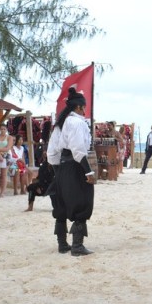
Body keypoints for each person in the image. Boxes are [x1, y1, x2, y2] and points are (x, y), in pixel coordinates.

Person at [47, 87, 96, 256]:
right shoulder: (77, 123)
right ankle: (77, 246)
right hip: (75, 166)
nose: (85, 110)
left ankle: (62, 244)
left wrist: (58, 172)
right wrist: (88, 173)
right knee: (83, 202)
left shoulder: (61, 124)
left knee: (61, 205)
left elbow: (51, 153)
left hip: (61, 166)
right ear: (79, 107)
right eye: (84, 107)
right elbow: (78, 150)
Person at [0, 123, 13, 197]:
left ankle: (2, 192)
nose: (2, 130)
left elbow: (8, 148)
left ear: (6, 130)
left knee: (4, 174)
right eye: (1, 129)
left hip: (6, 155)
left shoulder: (9, 137)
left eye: (4, 129)